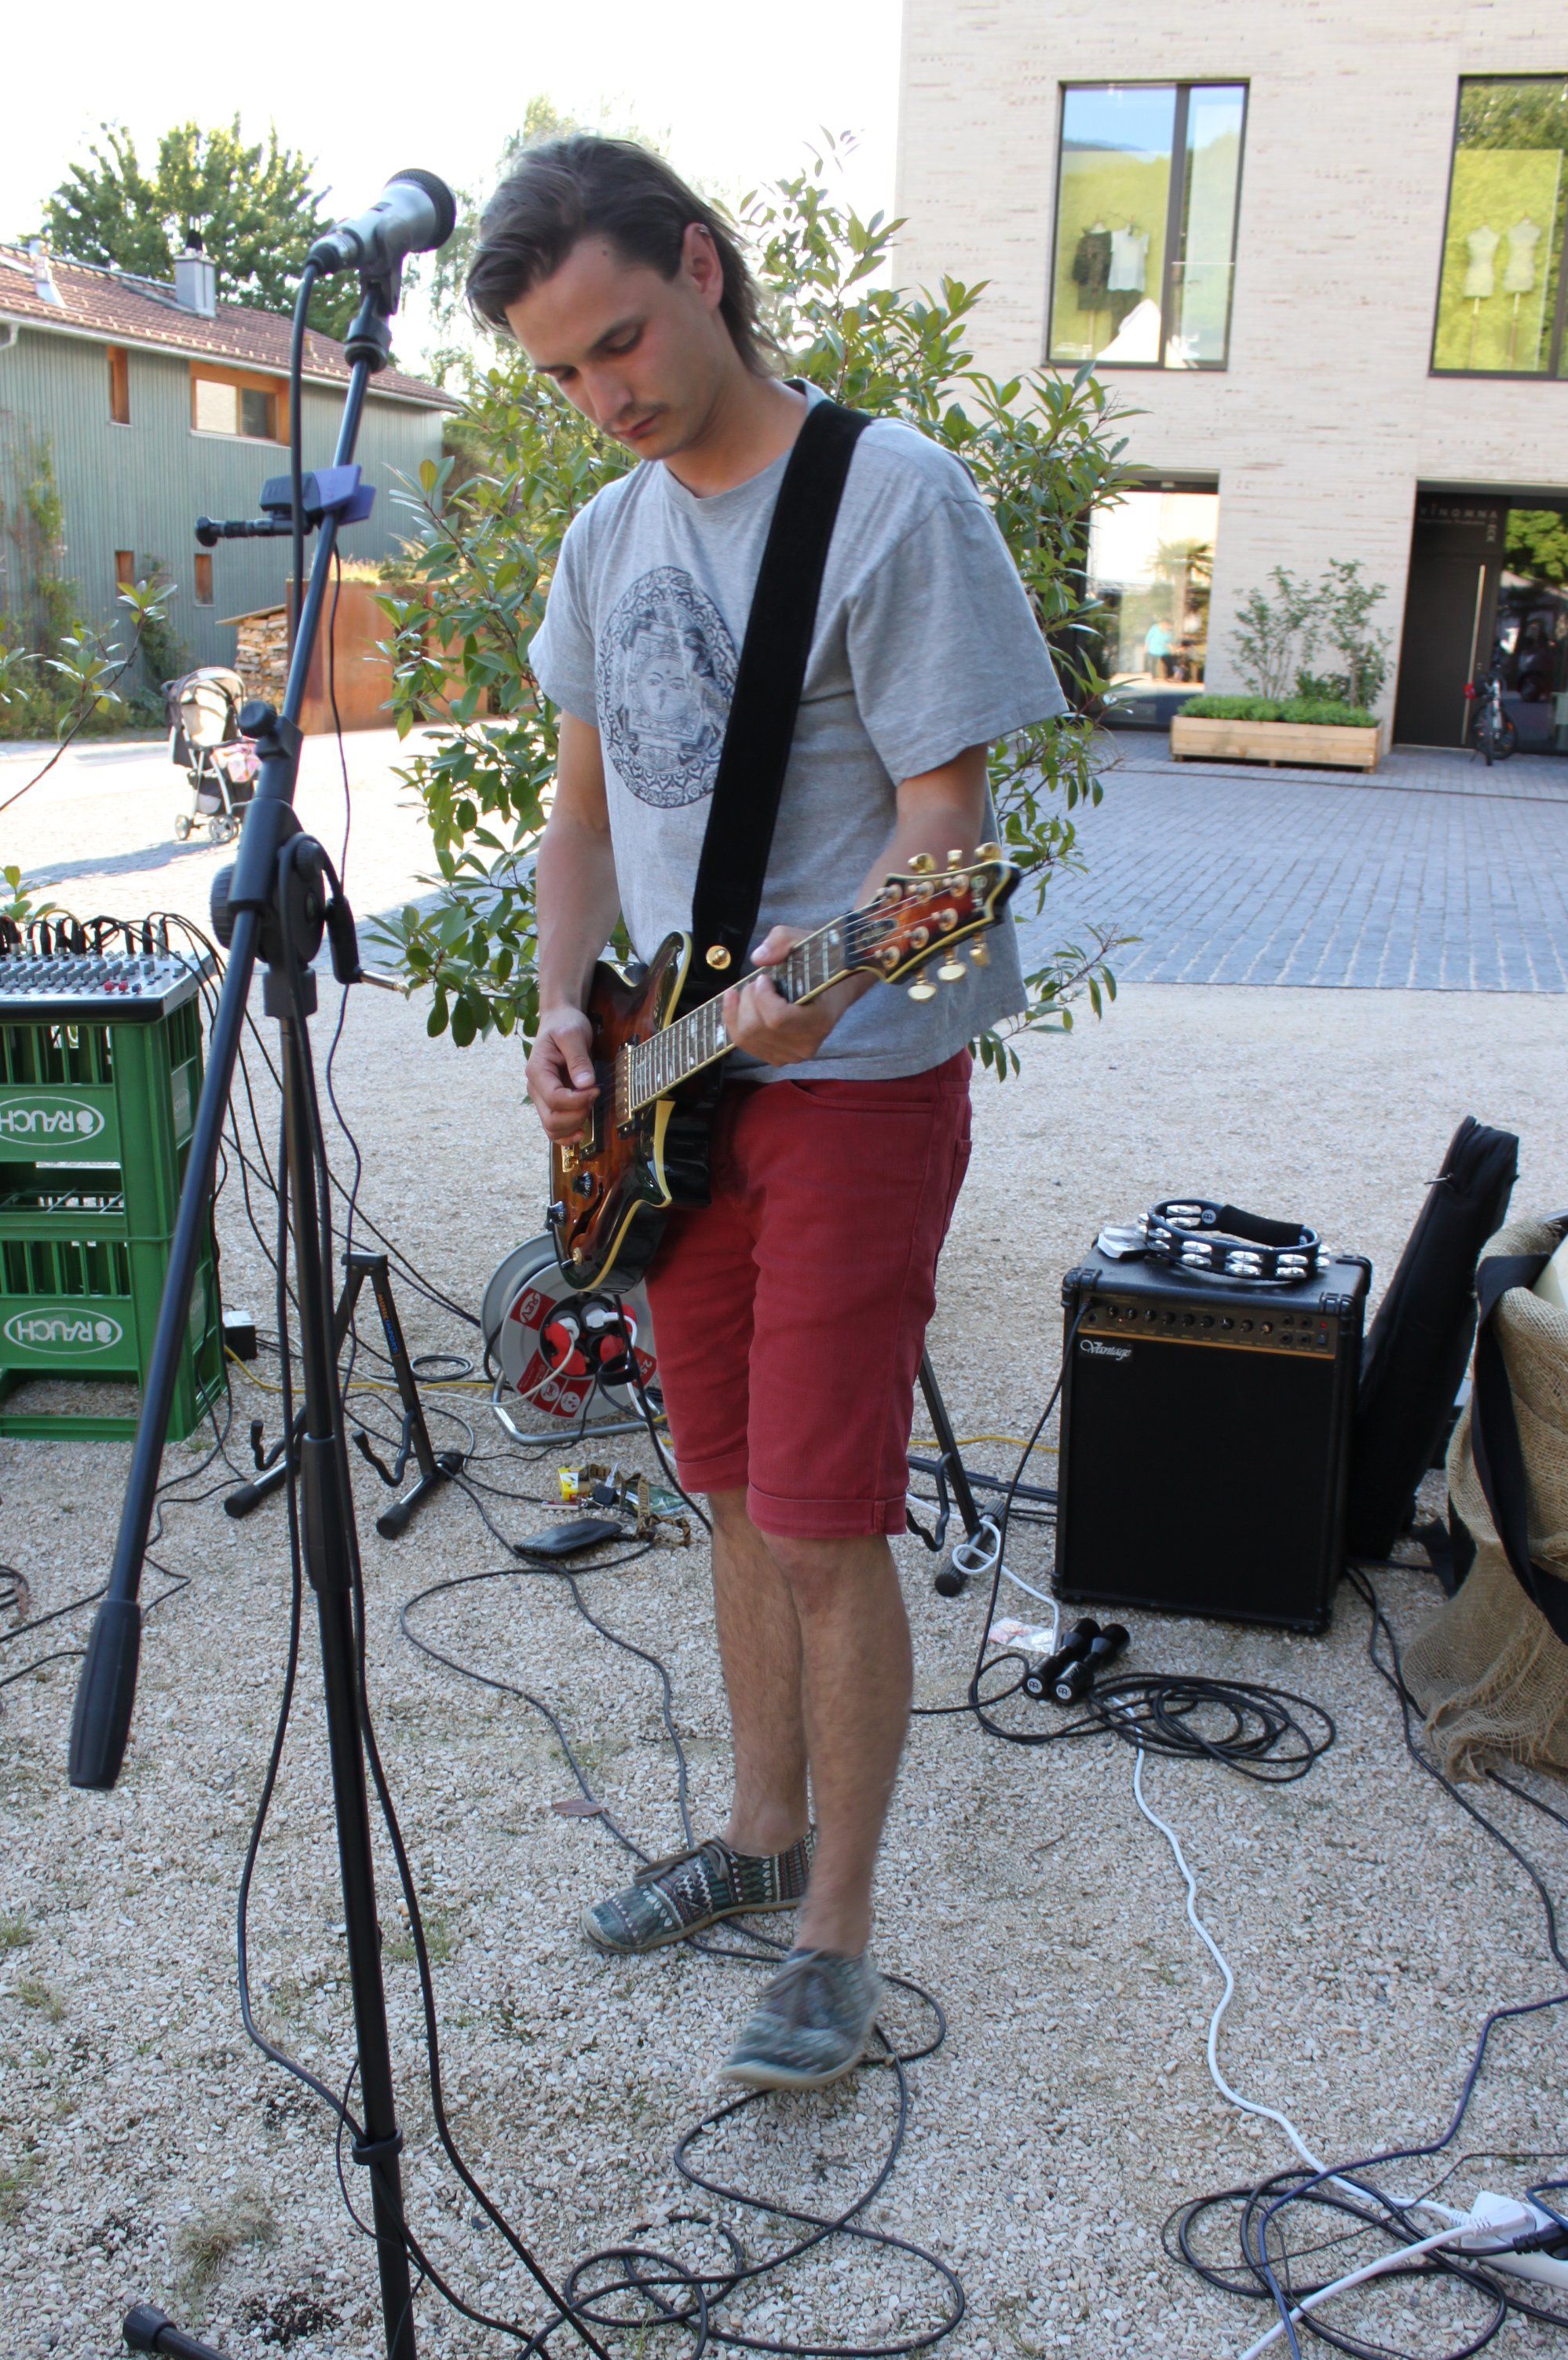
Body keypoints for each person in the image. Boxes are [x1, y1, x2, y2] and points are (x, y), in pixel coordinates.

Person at [466, 137, 1065, 2091]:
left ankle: (836, 1936)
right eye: (563, 372)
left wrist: (834, 977)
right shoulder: (604, 539)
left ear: (703, 270)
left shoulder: (890, 498)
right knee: (723, 1491)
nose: (604, 395)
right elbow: (577, 820)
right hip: (667, 1097)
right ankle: (754, 1836)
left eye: (622, 341)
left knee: (820, 1516)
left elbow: (947, 840)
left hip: (850, 1087)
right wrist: (563, 1010)